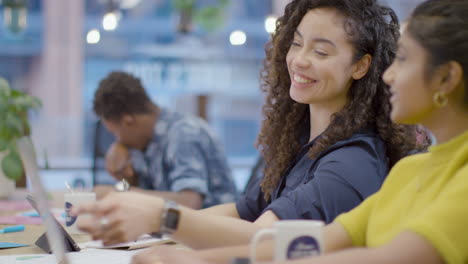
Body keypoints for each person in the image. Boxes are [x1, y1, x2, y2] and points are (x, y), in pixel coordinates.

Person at [130, 0, 468, 263]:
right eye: (297, 44)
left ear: (447, 79)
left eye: (404, 60)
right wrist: (190, 255)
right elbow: (306, 246)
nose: (389, 75)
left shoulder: (360, 165)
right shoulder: (410, 171)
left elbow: (378, 260)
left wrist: (166, 219)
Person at [91, 71, 237, 209]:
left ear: (128, 121)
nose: (117, 140)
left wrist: (119, 193)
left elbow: (190, 203)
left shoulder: (183, 134)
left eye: (115, 133)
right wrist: (123, 164)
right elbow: (147, 194)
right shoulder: (145, 140)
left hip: (212, 230)